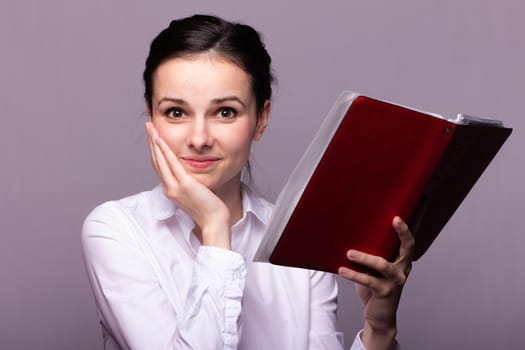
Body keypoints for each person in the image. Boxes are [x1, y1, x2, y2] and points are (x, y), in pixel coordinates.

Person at [81, 14, 414, 350]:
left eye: (225, 112)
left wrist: (379, 329)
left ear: (261, 119)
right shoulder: (116, 230)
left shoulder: (296, 242)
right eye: (175, 112)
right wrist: (215, 227)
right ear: (151, 116)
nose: (199, 138)